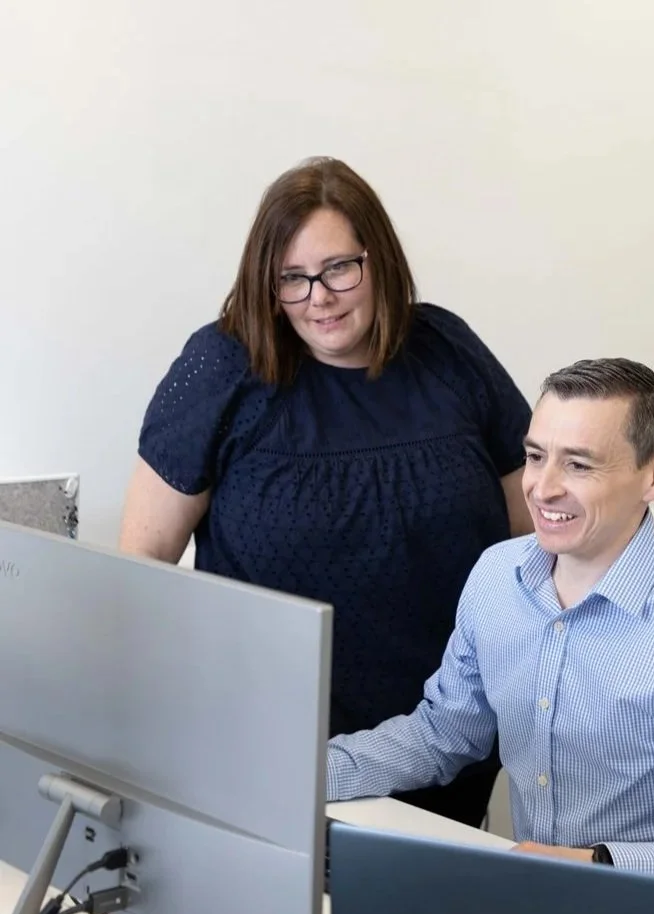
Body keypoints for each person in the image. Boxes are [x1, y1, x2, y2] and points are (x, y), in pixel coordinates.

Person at [118, 156, 533, 829]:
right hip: (272, 759)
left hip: (445, 746)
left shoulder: (447, 352)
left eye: (339, 268)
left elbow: (530, 540)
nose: (319, 295)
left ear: (379, 262)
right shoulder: (222, 367)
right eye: (292, 278)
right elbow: (141, 569)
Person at [326, 357, 654, 893]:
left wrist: (596, 866)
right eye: (535, 456)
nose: (542, 489)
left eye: (578, 465)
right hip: (532, 903)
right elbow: (444, 732)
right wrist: (305, 773)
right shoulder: (497, 575)